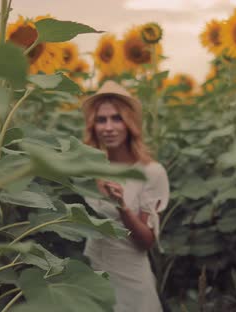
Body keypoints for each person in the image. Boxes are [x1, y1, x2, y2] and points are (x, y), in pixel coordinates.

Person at [81, 80, 170, 312]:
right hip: (95, 274)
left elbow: (146, 242)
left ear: (130, 123)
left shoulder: (151, 172)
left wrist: (122, 206)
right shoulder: (91, 168)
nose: (108, 127)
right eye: (101, 120)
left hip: (130, 279)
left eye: (116, 118)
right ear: (93, 126)